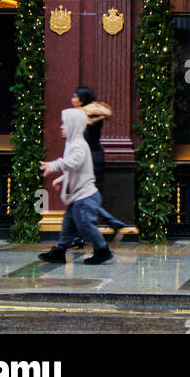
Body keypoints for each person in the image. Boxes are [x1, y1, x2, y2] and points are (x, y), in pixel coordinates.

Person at [38, 108, 117, 265]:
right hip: (78, 196)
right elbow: (75, 169)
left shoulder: (79, 146)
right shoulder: (73, 144)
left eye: (64, 124)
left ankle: (102, 250)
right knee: (68, 224)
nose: (61, 127)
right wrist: (61, 179)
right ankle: (60, 250)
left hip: (84, 197)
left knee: (85, 225)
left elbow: (72, 163)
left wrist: (53, 166)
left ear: (73, 126)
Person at [65, 86, 126, 247]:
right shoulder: (90, 115)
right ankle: (79, 235)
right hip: (91, 157)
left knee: (83, 197)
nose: (72, 99)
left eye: (74, 97)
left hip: (88, 159)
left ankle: (108, 226)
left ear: (82, 100)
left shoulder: (86, 116)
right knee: (82, 197)